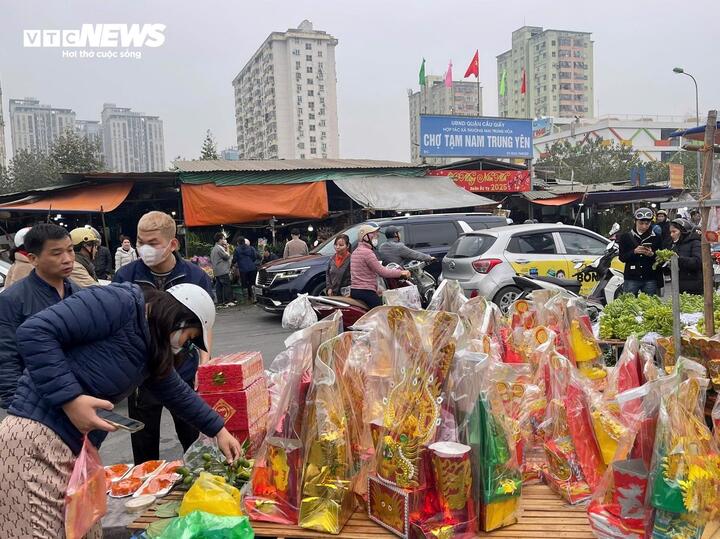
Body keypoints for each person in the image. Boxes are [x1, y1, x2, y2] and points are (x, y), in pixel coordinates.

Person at [0, 282, 242, 538]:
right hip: (35, 441)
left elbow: (176, 392)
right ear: (180, 316)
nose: (185, 345)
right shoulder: (120, 303)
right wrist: (70, 399)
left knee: (82, 530)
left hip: (76, 450)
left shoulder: (150, 348)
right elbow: (35, 332)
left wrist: (218, 429)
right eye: (190, 337)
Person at [113, 210, 216, 464]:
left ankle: (198, 488)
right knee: (144, 446)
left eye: (152, 243)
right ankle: (147, 496)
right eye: (140, 242)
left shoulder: (195, 276)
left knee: (193, 440)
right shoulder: (126, 278)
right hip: (141, 377)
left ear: (173, 244)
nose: (144, 249)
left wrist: (205, 363)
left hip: (183, 372)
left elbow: (204, 324)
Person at [0, 224, 78, 410]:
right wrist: (16, 403)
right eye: (57, 253)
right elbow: (6, 355)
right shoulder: (12, 299)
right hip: (35, 397)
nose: (67, 259)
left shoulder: (77, 293)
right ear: (33, 259)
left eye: (70, 250)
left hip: (77, 394)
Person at [350, 224, 410, 309]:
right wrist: (401, 273)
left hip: (355, 290)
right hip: (366, 291)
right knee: (381, 313)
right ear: (366, 237)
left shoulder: (355, 252)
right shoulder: (367, 253)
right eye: (373, 234)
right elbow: (382, 272)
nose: (376, 236)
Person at [618, 207, 662, 296]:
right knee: (629, 304)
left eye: (647, 223)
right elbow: (622, 257)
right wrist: (634, 252)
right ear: (635, 221)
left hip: (650, 277)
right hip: (631, 277)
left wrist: (652, 254)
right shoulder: (625, 237)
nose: (644, 226)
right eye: (641, 223)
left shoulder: (657, 237)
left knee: (651, 305)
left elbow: (661, 259)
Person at [668, 217, 702, 294]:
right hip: (678, 286)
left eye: (674, 231)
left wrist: (678, 259)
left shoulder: (695, 242)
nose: (671, 235)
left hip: (694, 286)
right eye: (670, 232)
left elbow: (697, 262)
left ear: (683, 231)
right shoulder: (673, 245)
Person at [210, 232, 234, 306]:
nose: (225, 240)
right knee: (226, 286)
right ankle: (228, 301)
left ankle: (220, 302)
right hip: (222, 270)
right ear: (220, 240)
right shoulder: (219, 248)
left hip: (217, 271)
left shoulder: (214, 248)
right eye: (224, 239)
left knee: (219, 287)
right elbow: (227, 256)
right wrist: (227, 248)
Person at [232, 236, 258, 302]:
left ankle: (247, 299)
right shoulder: (251, 248)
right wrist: (251, 262)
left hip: (243, 269)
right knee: (252, 283)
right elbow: (255, 257)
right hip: (252, 268)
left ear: (238, 243)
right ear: (244, 242)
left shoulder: (237, 249)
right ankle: (254, 297)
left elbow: (234, 259)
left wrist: (232, 264)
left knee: (245, 284)